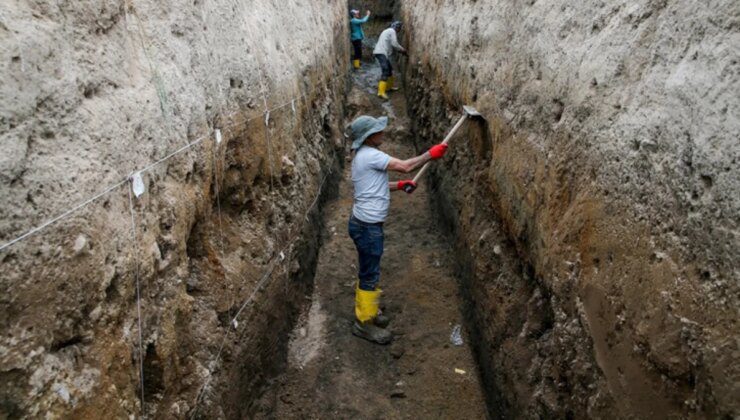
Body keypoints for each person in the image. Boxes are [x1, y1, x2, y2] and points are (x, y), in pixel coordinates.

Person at [348, 115, 448, 344]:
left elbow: (373, 187)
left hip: (363, 224)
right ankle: (363, 323)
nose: (383, 133)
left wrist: (400, 186)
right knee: (369, 273)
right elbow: (405, 166)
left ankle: (370, 311)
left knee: (369, 269)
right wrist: (430, 154)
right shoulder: (371, 155)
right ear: (369, 137)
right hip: (367, 227)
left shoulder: (361, 157)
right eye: (379, 131)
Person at [373, 21, 407, 100]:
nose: (399, 31)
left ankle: (389, 87)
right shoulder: (392, 31)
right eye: (399, 29)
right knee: (385, 70)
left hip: (381, 52)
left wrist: (399, 50)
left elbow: (390, 44)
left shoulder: (387, 31)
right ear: (397, 28)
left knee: (389, 69)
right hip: (381, 52)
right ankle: (381, 92)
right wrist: (403, 50)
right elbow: (394, 43)